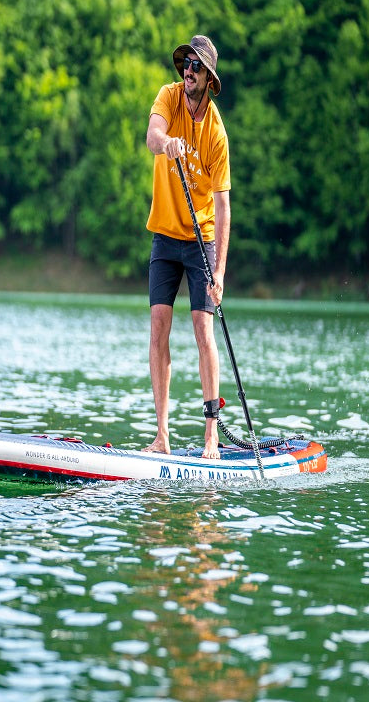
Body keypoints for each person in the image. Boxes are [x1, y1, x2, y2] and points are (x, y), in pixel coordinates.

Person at [143, 34, 231, 459]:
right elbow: (152, 136)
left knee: (202, 329)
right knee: (159, 326)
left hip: (201, 240)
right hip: (164, 233)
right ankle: (162, 436)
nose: (188, 70)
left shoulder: (216, 133)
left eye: (197, 66)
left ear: (209, 79)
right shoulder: (169, 96)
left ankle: (211, 437)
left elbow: (222, 204)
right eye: (186, 64)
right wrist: (167, 144)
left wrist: (220, 273)